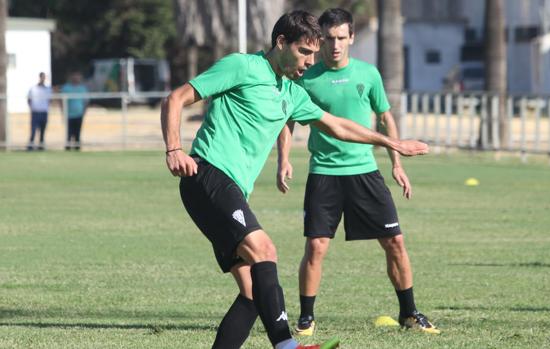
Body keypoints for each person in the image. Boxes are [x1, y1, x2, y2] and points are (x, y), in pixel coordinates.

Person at [161, 10, 428, 349]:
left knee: (254, 293)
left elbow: (338, 125)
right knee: (265, 250)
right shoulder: (242, 67)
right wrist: (174, 148)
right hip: (208, 174)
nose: (309, 61)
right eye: (304, 51)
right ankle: (286, 345)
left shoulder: (292, 93)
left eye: (313, 54)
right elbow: (176, 98)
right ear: (281, 42)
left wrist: (391, 142)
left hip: (231, 190)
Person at [276, 8, 440, 336]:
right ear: (320, 39)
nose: (334, 45)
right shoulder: (306, 76)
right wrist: (284, 159)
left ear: (351, 37)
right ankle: (306, 319)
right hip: (324, 172)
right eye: (328, 39)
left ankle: (409, 313)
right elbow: (288, 120)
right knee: (316, 247)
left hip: (365, 172)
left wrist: (396, 163)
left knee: (395, 241)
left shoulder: (369, 74)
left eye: (341, 38)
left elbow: (385, 118)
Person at [61, 72, 89, 150]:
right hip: (69, 114)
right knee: (69, 133)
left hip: (79, 114)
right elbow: (61, 101)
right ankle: (68, 148)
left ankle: (77, 148)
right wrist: (63, 112)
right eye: (75, 77)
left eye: (78, 77)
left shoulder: (82, 88)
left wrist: (84, 112)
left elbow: (86, 101)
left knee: (78, 133)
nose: (76, 78)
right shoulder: (66, 88)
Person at [27, 72, 52, 151]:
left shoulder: (48, 89)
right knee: (33, 130)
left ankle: (41, 147)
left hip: (44, 112)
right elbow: (29, 100)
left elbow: (50, 100)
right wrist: (32, 108)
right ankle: (30, 147)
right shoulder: (33, 89)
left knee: (42, 130)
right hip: (35, 112)